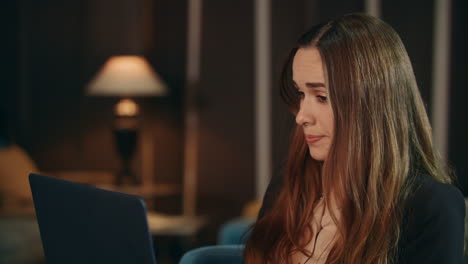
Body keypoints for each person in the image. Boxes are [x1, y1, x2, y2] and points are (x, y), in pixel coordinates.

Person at [244, 13, 465, 264]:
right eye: (300, 93)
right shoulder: (288, 181)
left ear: (371, 103)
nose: (301, 116)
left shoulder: (432, 207)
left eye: (322, 97)